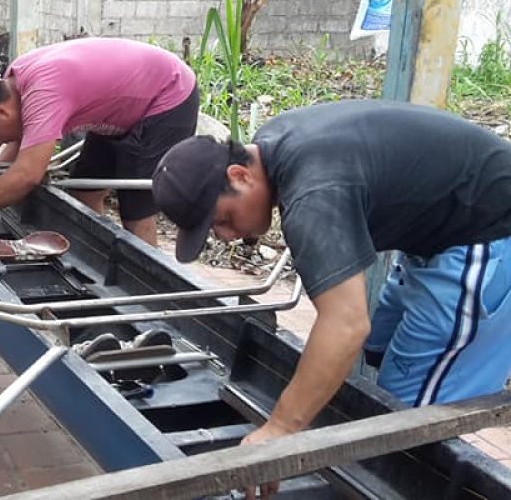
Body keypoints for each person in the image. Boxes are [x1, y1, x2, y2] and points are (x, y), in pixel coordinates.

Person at [151, 100, 511, 499]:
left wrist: (282, 427)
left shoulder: (311, 191)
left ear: (238, 176)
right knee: (376, 356)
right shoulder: (275, 143)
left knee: (402, 430)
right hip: (436, 236)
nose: (224, 236)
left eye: (221, 219)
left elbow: (346, 323)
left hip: (488, 237)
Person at [0, 37, 198, 245]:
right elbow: (26, 138)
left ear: (0, 111)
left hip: (168, 96)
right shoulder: (14, 82)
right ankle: (103, 257)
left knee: (136, 204)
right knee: (85, 191)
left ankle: (151, 293)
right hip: (118, 106)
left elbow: (28, 174)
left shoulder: (43, 93)